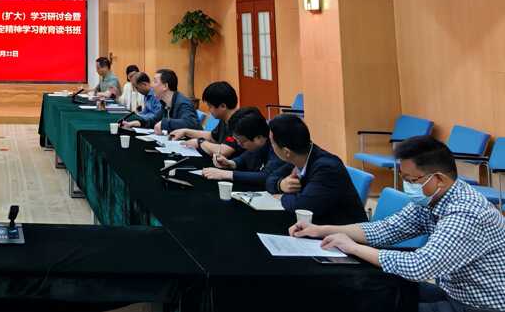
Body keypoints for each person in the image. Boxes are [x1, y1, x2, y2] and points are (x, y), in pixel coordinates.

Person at [291, 136, 505, 312]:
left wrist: (353, 247)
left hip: (479, 305)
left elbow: (419, 266)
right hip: (453, 291)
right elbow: (385, 230)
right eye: (404, 179)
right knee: (371, 289)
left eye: (412, 181)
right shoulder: (432, 198)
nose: (407, 186)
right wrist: (321, 230)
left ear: (438, 179)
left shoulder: (466, 213)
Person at [265, 114, 367, 225]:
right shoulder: (299, 155)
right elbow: (269, 179)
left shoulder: (327, 168)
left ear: (286, 152)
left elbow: (303, 207)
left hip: (343, 231)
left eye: (272, 143)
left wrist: (283, 197)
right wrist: (280, 184)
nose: (272, 147)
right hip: (320, 226)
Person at [201, 107, 286, 187]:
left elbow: (267, 176)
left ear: (258, 137)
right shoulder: (260, 139)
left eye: (242, 141)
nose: (239, 144)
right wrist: (231, 163)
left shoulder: (279, 143)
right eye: (236, 140)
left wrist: (224, 174)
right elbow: (248, 156)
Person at [165, 81, 241, 157]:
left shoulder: (239, 122)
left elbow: (224, 151)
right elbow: (212, 136)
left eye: (210, 106)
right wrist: (185, 131)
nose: (209, 110)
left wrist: (200, 142)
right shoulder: (225, 118)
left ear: (223, 106)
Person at [122, 69, 199, 130]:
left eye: (155, 82)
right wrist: (137, 123)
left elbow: (191, 123)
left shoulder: (183, 103)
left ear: (165, 86)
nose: (152, 85)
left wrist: (164, 123)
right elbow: (154, 120)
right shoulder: (164, 103)